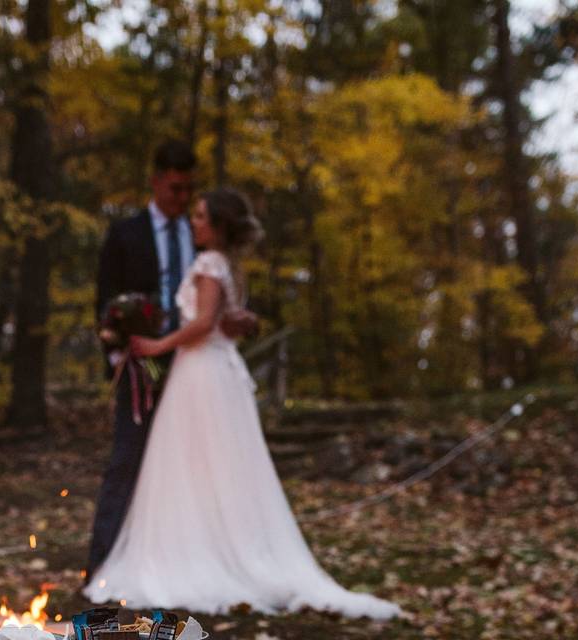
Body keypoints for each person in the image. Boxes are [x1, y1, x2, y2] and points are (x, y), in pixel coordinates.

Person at [82, 188, 401, 618]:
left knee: (198, 463)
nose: (193, 222)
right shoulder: (224, 264)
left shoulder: (210, 263)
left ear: (216, 226)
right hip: (209, 371)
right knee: (212, 465)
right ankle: (208, 545)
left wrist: (159, 346)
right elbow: (224, 326)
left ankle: (204, 556)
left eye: (200, 216)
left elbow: (204, 323)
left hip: (201, 373)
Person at [87, 140, 256, 583]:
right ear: (157, 180)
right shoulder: (125, 234)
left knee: (189, 464)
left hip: (190, 366)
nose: (182, 200)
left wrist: (229, 322)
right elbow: (105, 302)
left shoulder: (201, 239)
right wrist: (119, 352)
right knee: (128, 460)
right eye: (175, 189)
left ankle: (191, 558)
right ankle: (103, 563)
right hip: (143, 363)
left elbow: (208, 311)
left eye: (190, 192)